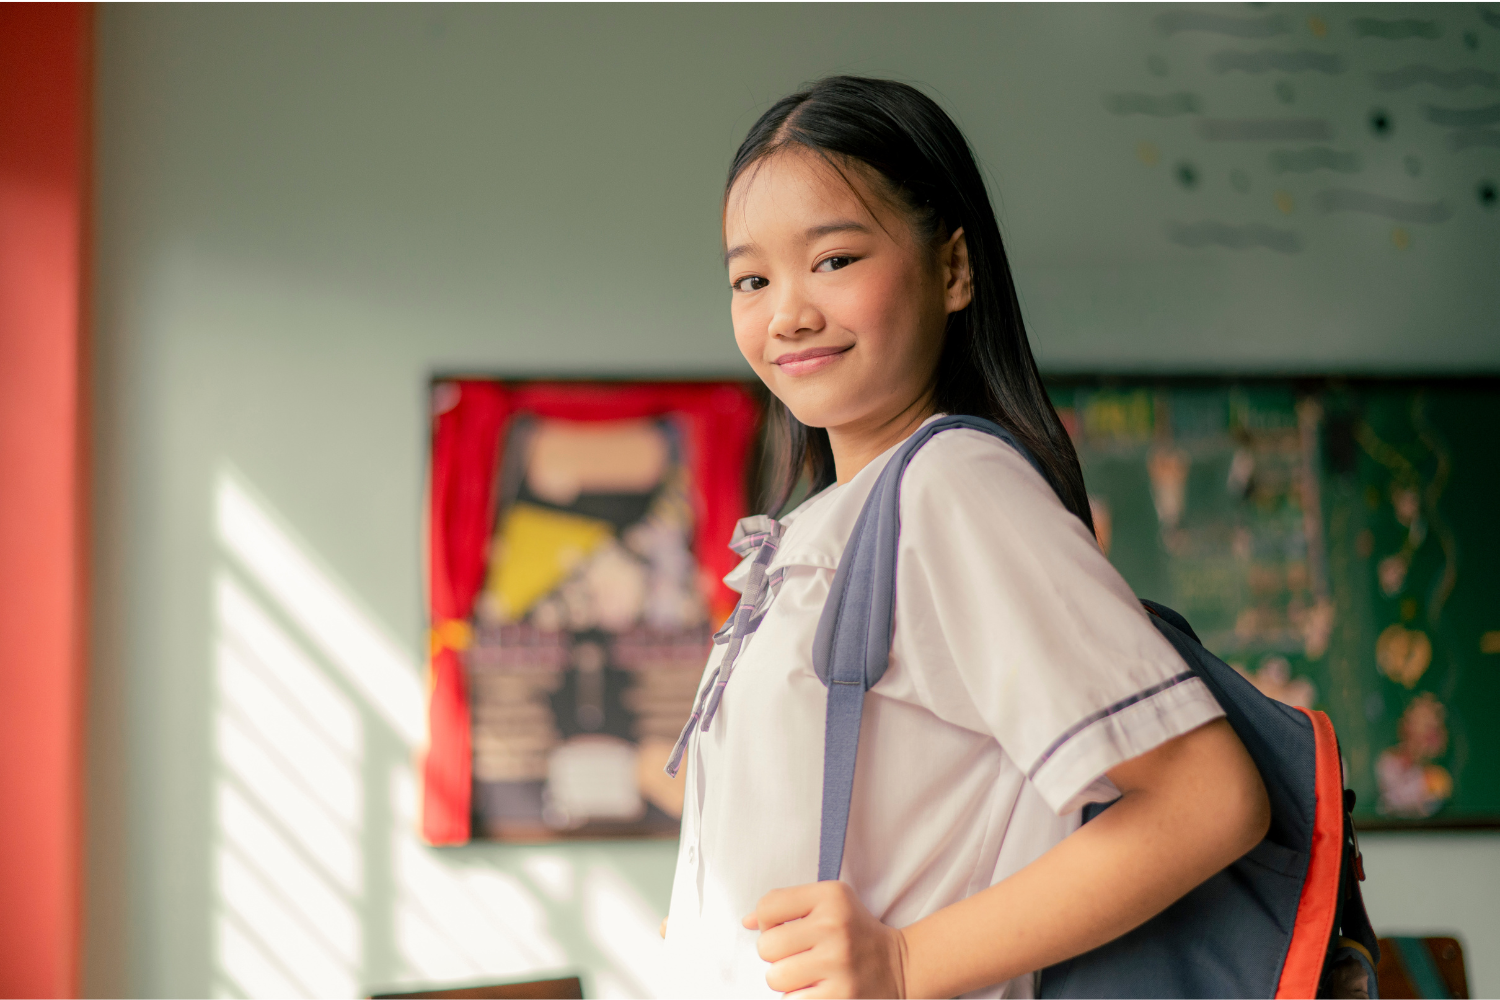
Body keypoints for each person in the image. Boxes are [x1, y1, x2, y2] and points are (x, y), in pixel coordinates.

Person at [659, 76, 1270, 1000]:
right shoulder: (823, 525)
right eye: (752, 278)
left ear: (952, 270)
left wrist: (908, 963)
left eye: (833, 260)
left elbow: (1206, 799)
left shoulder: (950, 488)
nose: (786, 311)